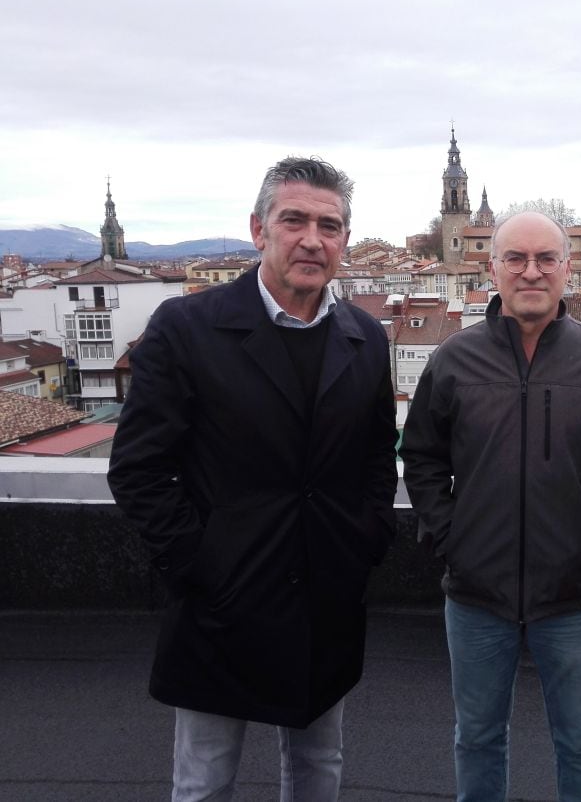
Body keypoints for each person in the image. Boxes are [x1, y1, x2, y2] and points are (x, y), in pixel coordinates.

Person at [108, 157, 398, 801]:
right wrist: (199, 561)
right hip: (222, 600)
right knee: (206, 780)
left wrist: (365, 539)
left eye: (330, 225)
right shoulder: (187, 329)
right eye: (293, 219)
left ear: (345, 240)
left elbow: (380, 453)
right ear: (258, 230)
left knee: (319, 768)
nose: (312, 239)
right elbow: (138, 467)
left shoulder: (366, 338)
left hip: (325, 593)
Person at [400, 211, 581, 802]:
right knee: (479, 737)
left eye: (545, 259)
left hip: (573, 593)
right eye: (516, 258)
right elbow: (423, 456)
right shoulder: (454, 360)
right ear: (493, 269)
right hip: (477, 593)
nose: (530, 271)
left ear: (568, 268)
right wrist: (451, 532)